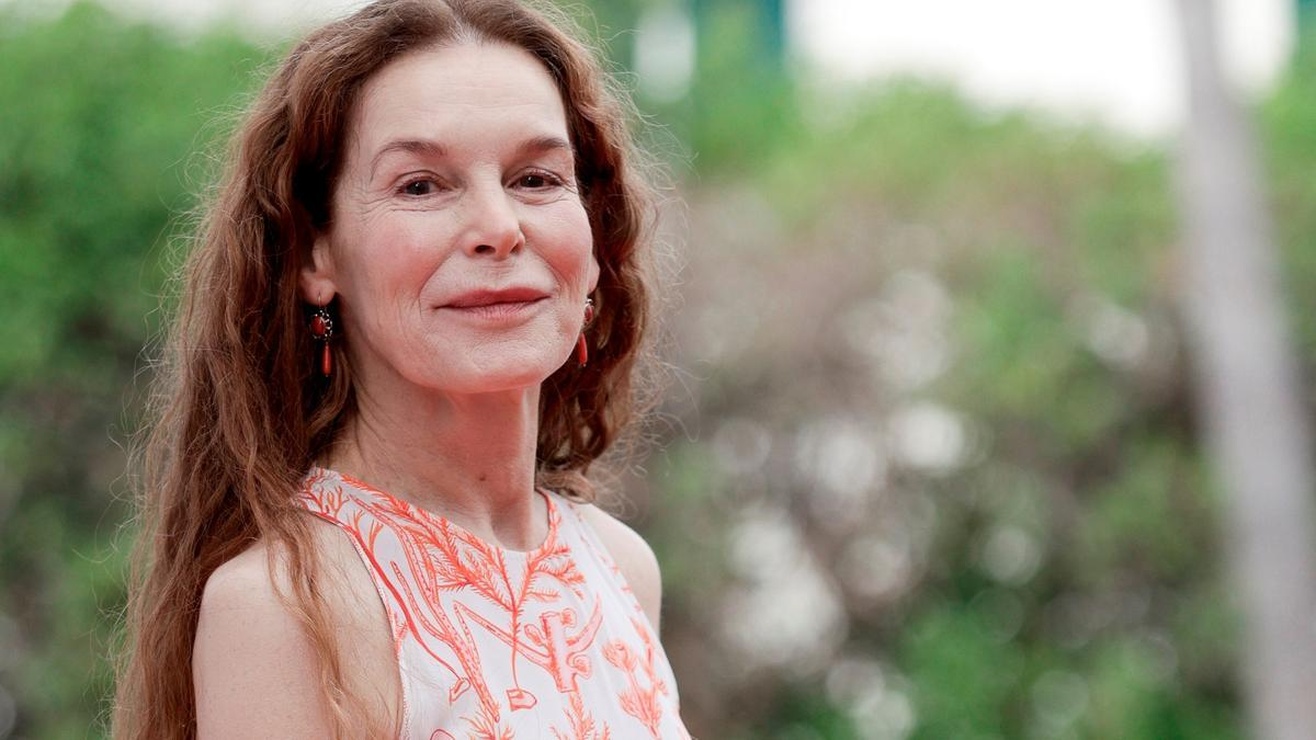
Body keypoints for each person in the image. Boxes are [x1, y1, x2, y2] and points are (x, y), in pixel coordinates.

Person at [112, 1, 689, 737]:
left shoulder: (620, 566)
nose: (499, 228)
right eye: (420, 186)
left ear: (596, 238)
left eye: (536, 179)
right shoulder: (286, 607)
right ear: (314, 253)